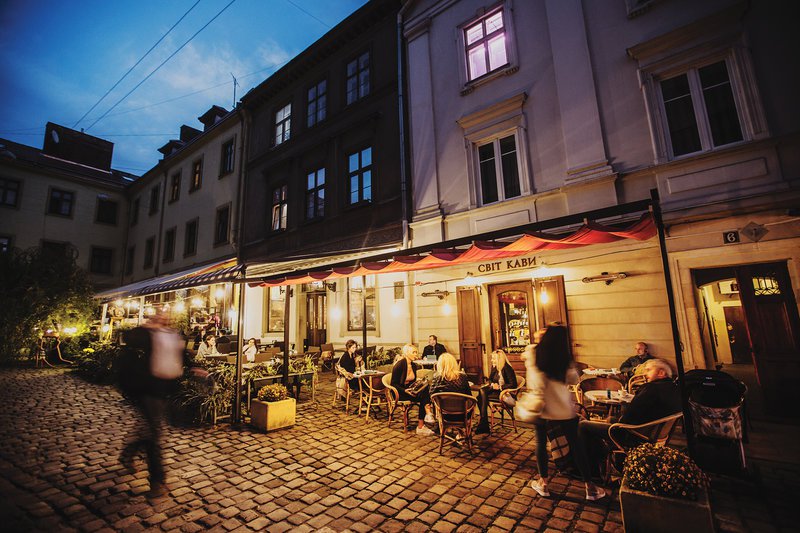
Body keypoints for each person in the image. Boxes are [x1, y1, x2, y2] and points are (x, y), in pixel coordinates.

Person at [527, 325, 606, 501]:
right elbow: (574, 379)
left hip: (543, 407)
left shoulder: (535, 353)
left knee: (541, 444)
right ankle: (589, 487)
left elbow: (535, 381)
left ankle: (544, 482)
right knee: (576, 445)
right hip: (563, 407)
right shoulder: (563, 357)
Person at [119, 312, 184, 498]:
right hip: (149, 388)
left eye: (167, 316)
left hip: (168, 388)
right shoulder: (147, 334)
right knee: (155, 434)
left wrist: (194, 367)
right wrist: (145, 327)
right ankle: (157, 480)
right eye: (160, 316)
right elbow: (128, 339)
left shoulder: (173, 334)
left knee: (150, 430)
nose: (165, 319)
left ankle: (128, 452)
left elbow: (179, 354)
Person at [579, 358, 682, 473]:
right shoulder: (675, 389)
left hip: (634, 435)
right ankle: (617, 461)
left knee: (583, 425)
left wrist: (623, 416)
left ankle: (592, 469)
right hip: (654, 435)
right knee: (611, 418)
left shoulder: (652, 388)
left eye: (649, 370)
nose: (645, 374)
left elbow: (629, 416)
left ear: (661, 373)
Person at [391, 343, 435, 435]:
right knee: (424, 396)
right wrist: (404, 390)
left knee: (425, 388)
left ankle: (423, 422)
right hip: (400, 392)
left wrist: (417, 384)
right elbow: (393, 383)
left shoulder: (414, 365)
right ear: (406, 353)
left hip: (410, 390)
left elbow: (411, 381)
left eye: (416, 352)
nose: (416, 354)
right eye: (414, 352)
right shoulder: (399, 365)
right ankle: (425, 418)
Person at [474, 349, 517, 434]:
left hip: (504, 393)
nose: (491, 360)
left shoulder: (507, 368)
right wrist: (492, 383)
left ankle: (484, 423)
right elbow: (490, 379)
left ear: (499, 359)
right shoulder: (495, 367)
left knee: (480, 396)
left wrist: (500, 387)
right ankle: (484, 422)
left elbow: (513, 384)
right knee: (481, 393)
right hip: (495, 390)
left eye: (493, 358)